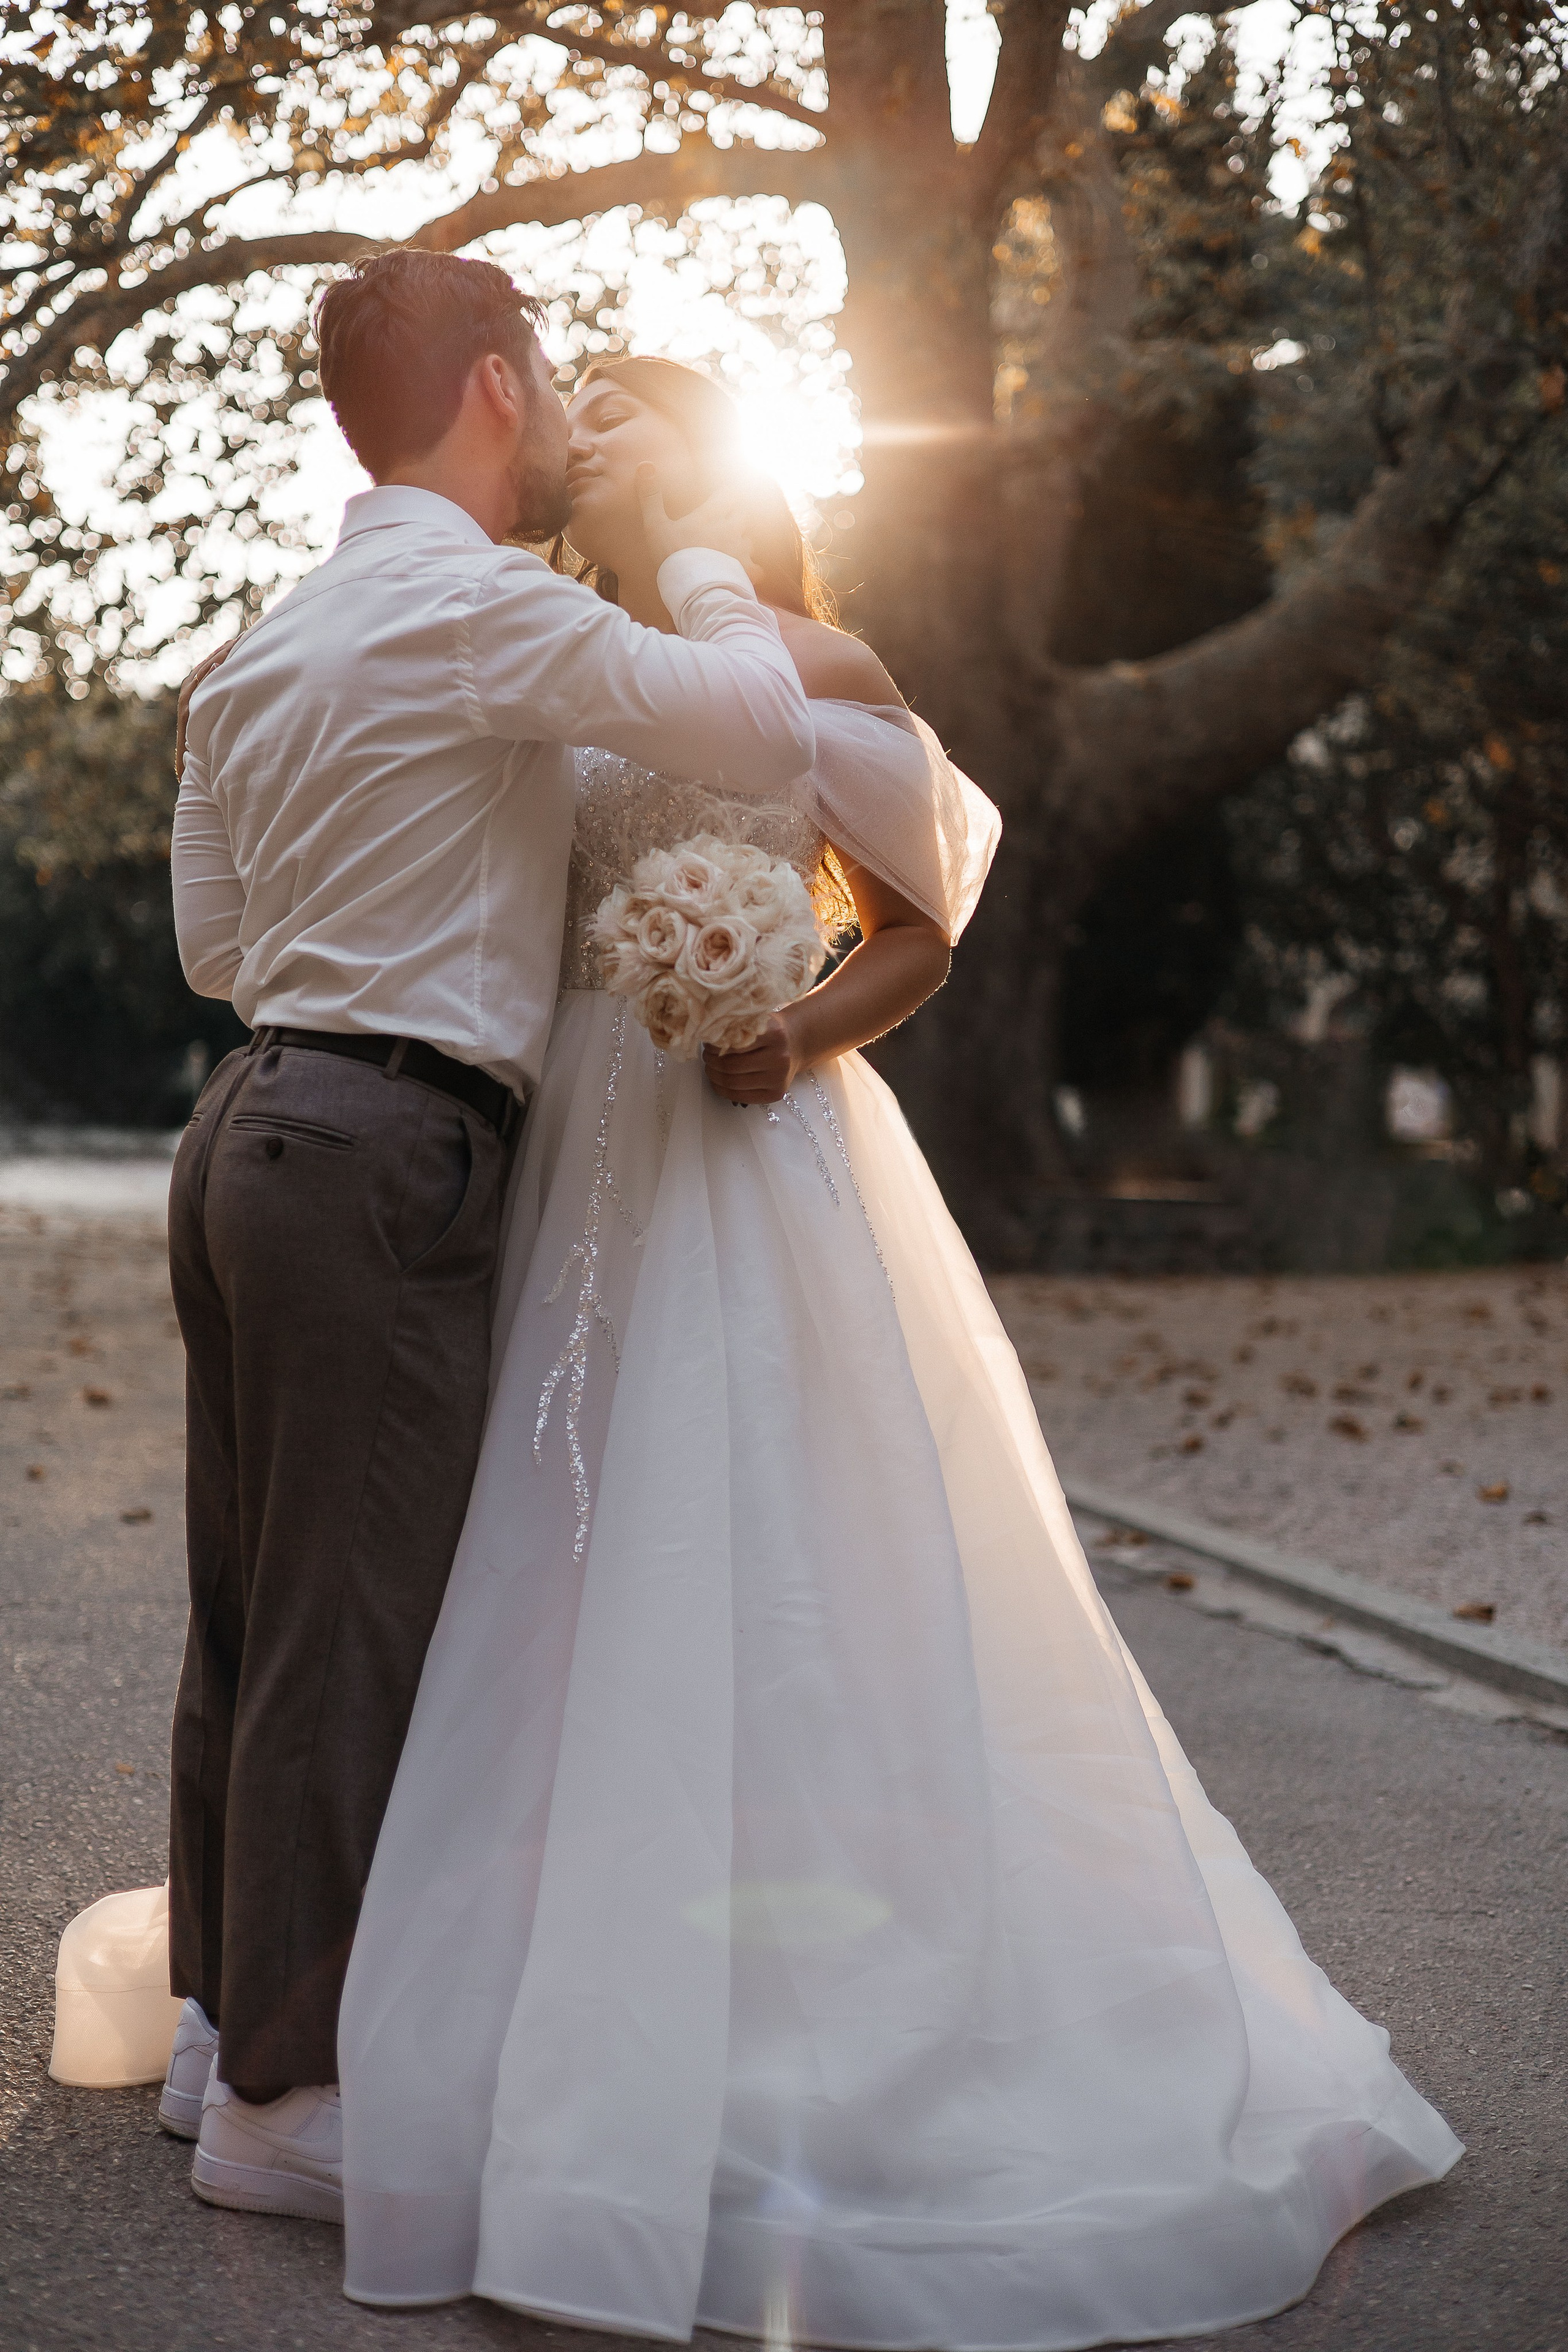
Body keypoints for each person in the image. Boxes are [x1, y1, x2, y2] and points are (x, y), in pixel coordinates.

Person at [336, 358, 1462, 2344]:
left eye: (633, 412)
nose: (594, 433)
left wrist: (799, 1023)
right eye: (573, 410)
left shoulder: (810, 658)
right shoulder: (576, 661)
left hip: (769, 1137)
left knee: (787, 1536)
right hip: (584, 1142)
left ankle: (832, 1998)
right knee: (547, 1539)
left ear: (715, 459)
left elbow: (919, 922)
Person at [160, 255, 818, 2221]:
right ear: (494, 389)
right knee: (349, 1621)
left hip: (248, 1123)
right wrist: (701, 549)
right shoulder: (476, 606)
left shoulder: (263, 645)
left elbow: (215, 949)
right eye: (542, 371)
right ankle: (289, 2101)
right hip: (379, 1143)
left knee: (248, 1604)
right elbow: (749, 716)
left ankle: (214, 2034)